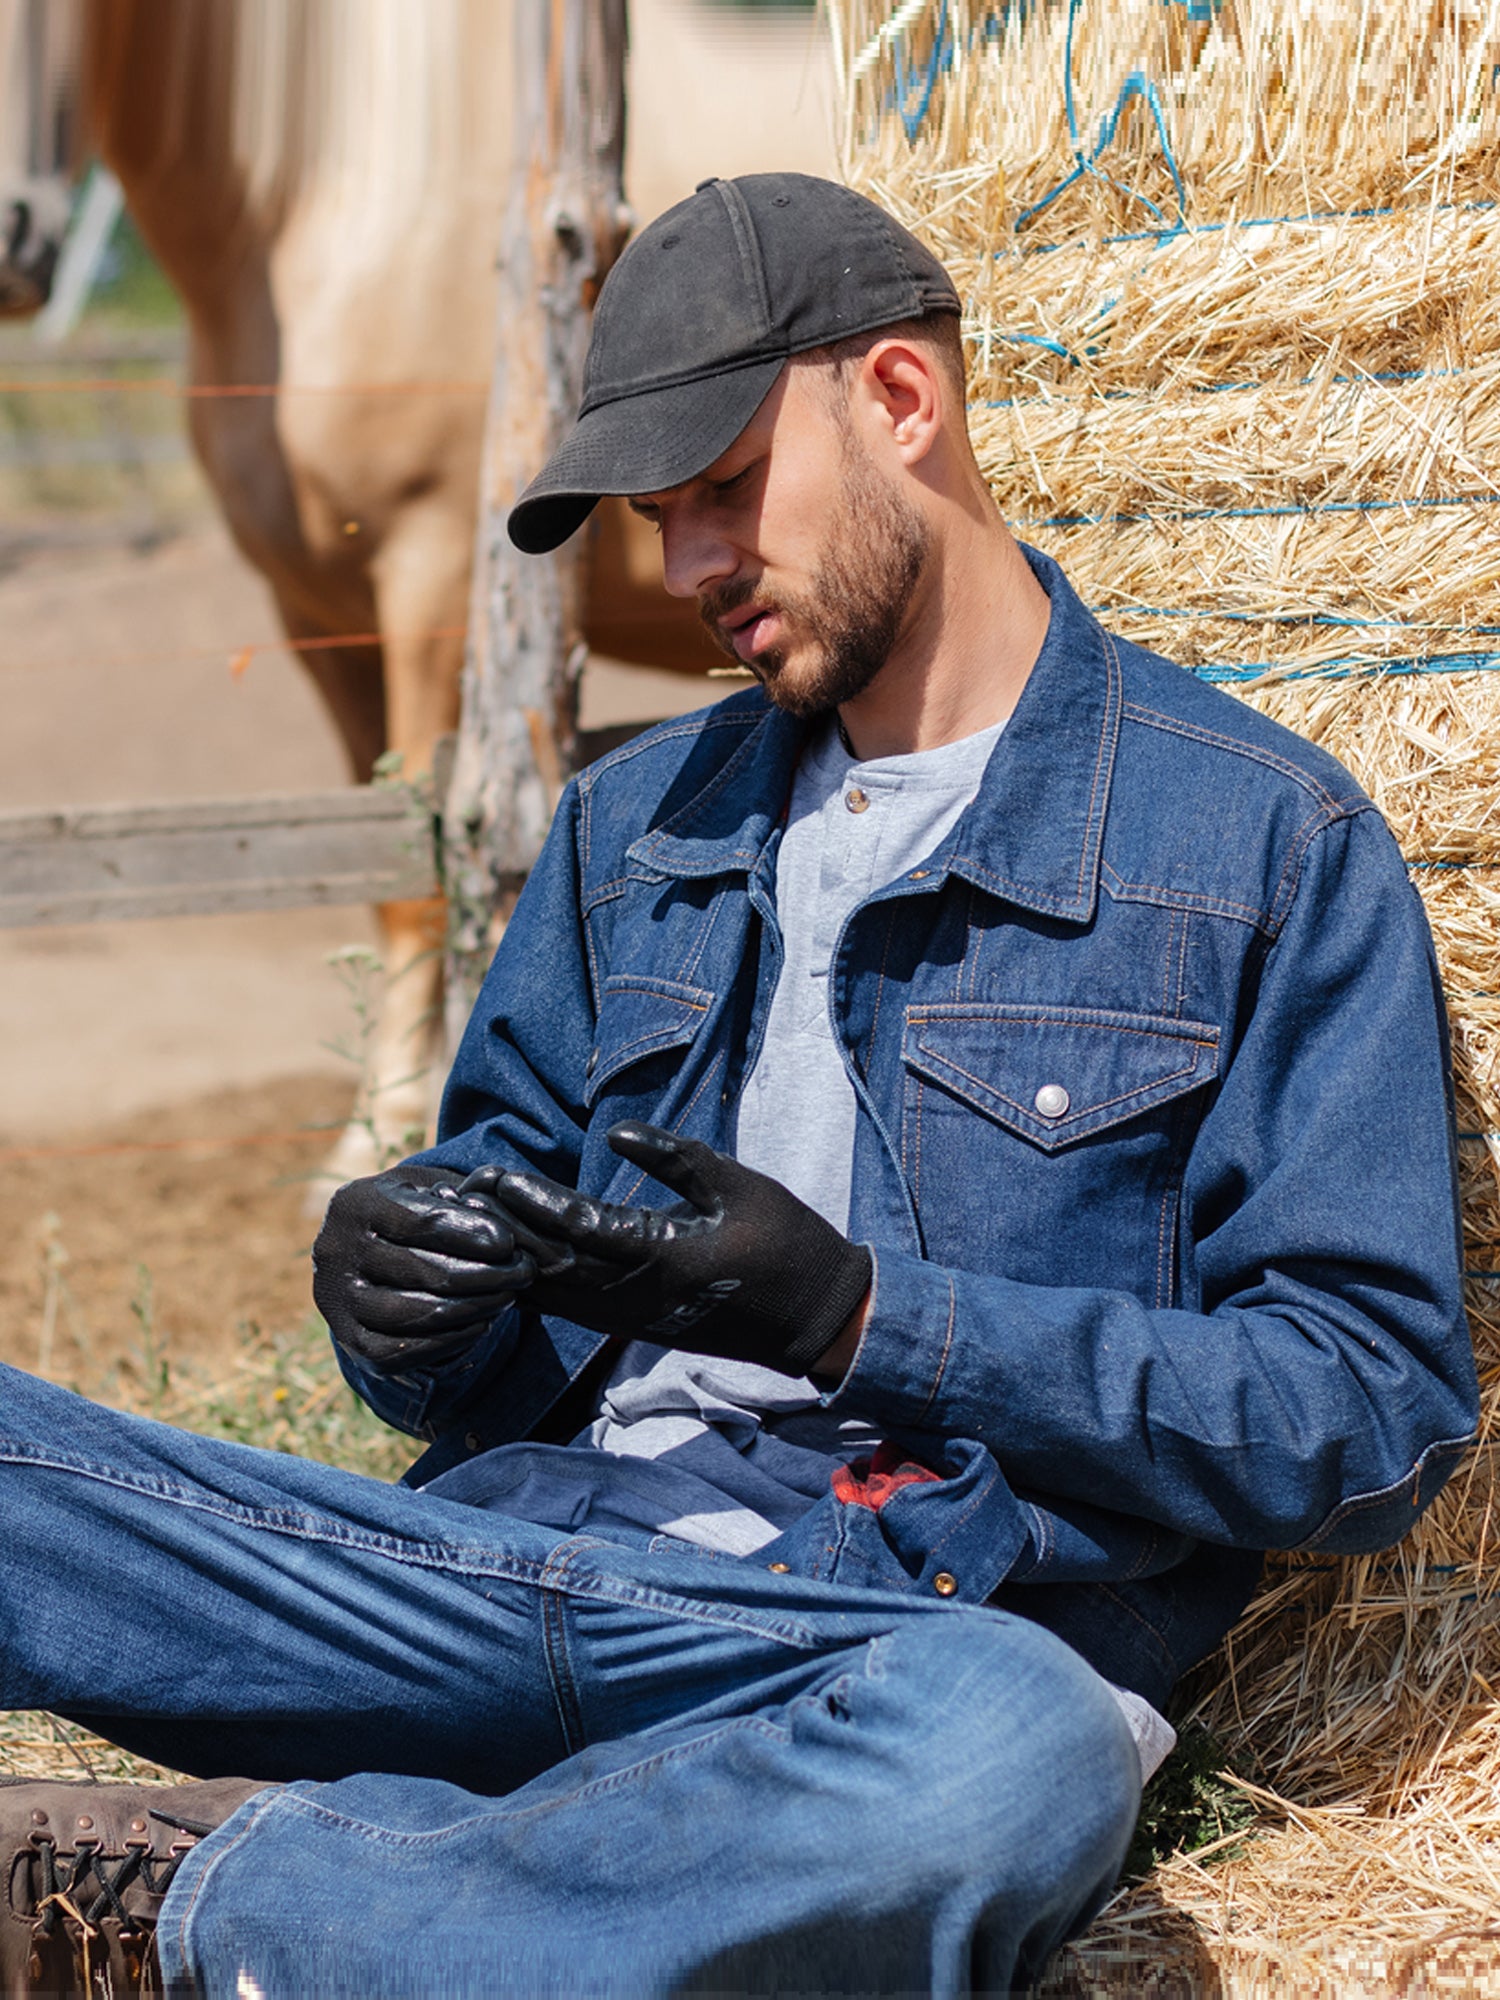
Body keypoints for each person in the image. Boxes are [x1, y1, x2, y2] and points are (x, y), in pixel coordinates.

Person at [0, 173, 1478, 1997]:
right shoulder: (635, 827)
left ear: (901, 402)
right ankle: (485, 1868)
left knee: (1005, 1765)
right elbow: (479, 1272)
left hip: (893, 1645)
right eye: (655, 512)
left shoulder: (1260, 840)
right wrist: (395, 1305)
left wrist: (861, 1318)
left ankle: (196, 1907)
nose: (684, 567)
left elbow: (1369, 1411)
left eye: (721, 490)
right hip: (510, 1581)